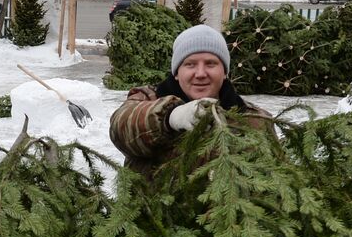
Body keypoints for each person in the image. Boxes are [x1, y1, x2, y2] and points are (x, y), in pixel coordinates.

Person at [110, 25, 270, 179]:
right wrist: (170, 116)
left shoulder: (254, 119)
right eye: (190, 64)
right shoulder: (147, 98)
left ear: (225, 72)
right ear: (177, 72)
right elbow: (120, 128)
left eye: (210, 63)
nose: (200, 73)